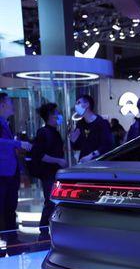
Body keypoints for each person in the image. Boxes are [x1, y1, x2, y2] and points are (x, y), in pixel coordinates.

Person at [0, 93, 31, 246]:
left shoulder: (5, 123)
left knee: (10, 207)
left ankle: (12, 241)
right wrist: (17, 144)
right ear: (2, 105)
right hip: (2, 173)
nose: (13, 105)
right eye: (10, 102)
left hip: (10, 172)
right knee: (4, 208)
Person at [32, 103, 66, 231]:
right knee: (50, 201)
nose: (59, 115)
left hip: (55, 173)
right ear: (50, 115)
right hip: (48, 173)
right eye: (56, 113)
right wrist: (59, 161)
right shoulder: (43, 132)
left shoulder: (55, 132)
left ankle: (48, 229)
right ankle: (43, 229)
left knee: (53, 201)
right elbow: (39, 155)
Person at [69, 95, 113, 162]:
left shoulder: (102, 123)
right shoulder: (80, 124)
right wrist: (73, 141)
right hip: (83, 162)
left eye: (78, 103)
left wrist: (91, 156)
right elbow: (77, 146)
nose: (76, 106)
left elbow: (107, 145)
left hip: (99, 162)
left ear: (87, 104)